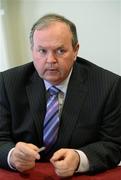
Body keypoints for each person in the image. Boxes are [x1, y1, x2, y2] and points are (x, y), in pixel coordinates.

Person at [0, 13, 121, 178]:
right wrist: (12, 155)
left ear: (75, 50)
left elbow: (113, 144)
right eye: (42, 51)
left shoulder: (109, 85)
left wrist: (79, 159)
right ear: (32, 50)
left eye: (60, 50)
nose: (50, 60)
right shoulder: (7, 82)